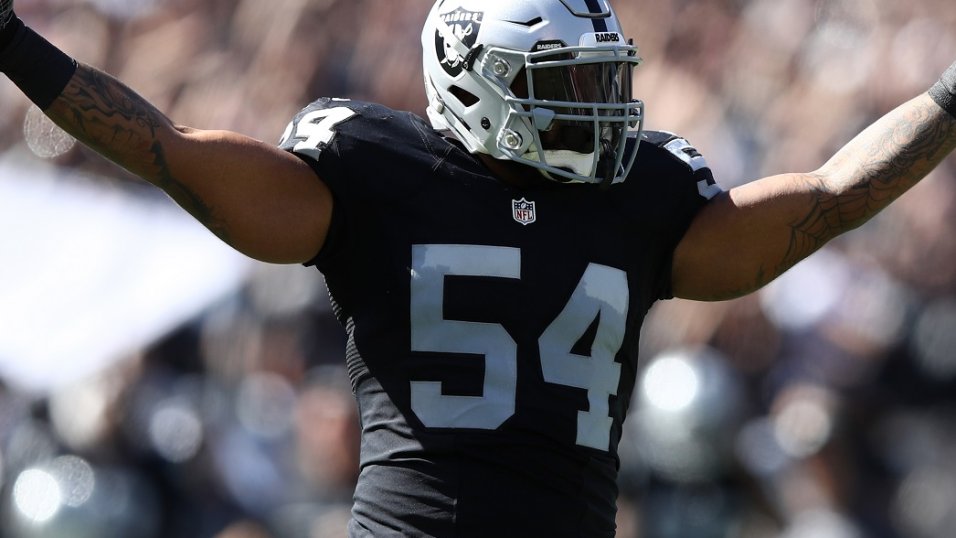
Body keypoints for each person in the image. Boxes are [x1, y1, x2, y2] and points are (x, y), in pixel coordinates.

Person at [2, 0, 955, 536]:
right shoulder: (373, 172)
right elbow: (173, 151)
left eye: (601, 81)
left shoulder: (637, 195)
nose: (599, 108)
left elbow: (828, 197)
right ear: (474, 82)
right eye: (566, 85)